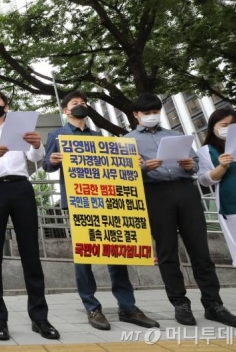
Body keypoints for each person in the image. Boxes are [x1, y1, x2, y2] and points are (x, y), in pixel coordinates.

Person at [124, 93, 236, 327]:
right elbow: (123, 174)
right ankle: (180, 304)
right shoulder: (126, 140)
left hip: (185, 189)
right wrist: (142, 167)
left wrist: (191, 164)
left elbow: (196, 165)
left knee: (200, 249)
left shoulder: (176, 135)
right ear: (136, 115)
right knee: (167, 251)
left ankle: (213, 304)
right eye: (146, 113)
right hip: (154, 192)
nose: (152, 116)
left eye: (155, 112)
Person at [43, 90, 159, 331]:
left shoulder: (98, 135)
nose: (80, 106)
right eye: (75, 104)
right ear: (65, 110)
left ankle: (127, 306)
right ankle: (92, 307)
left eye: (83, 103)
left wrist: (133, 162)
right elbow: (46, 165)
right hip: (78, 201)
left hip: (106, 199)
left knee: (116, 252)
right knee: (84, 255)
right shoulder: (57, 134)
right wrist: (53, 160)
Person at [0, 89, 60, 340]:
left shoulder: (20, 128)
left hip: (21, 186)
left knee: (30, 251)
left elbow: (36, 158)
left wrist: (37, 144)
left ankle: (40, 318)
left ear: (6, 106)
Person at [196, 108, 236, 289]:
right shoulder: (207, 151)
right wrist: (222, 166)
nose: (229, 129)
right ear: (213, 128)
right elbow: (204, 179)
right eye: (224, 126)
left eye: (233, 125)